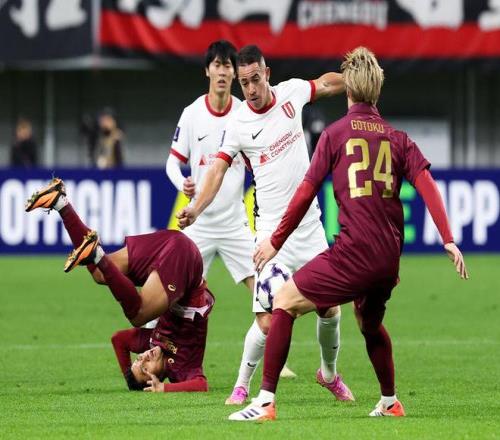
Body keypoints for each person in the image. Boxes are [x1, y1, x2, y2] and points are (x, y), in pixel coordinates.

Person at [229, 47, 468, 421]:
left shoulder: (335, 134)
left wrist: (275, 239)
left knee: (285, 301)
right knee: (369, 323)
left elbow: (305, 192)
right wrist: (448, 238)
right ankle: (390, 401)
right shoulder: (398, 138)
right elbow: (427, 183)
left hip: (353, 254)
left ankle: (264, 402)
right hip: (388, 260)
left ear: (349, 90)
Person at [177, 45, 354, 402]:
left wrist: (356, 80)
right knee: (267, 320)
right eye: (244, 83)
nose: (251, 89)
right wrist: (195, 208)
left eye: (255, 79)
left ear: (267, 74)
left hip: (310, 228)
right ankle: (241, 386)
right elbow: (217, 170)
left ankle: (328, 374)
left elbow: (325, 84)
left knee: (331, 309)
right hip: (271, 238)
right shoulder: (238, 124)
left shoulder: (291, 93)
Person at [167, 40, 296, 404]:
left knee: (268, 291)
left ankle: (277, 357)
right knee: (170, 291)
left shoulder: (245, 112)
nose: (223, 72)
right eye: (217, 66)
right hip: (199, 225)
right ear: (207, 71)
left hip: (236, 223)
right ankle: (157, 350)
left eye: (228, 66)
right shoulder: (192, 114)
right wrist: (182, 183)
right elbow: (172, 162)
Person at [25, 178, 214, 392]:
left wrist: (129, 377)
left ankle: (60, 203)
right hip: (185, 259)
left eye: (138, 360)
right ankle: (97, 255)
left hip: (166, 245)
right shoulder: (181, 369)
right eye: (145, 369)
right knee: (139, 316)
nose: (143, 358)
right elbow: (201, 384)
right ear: (156, 378)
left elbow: (118, 340)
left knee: (99, 274)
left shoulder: (152, 342)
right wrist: (164, 388)